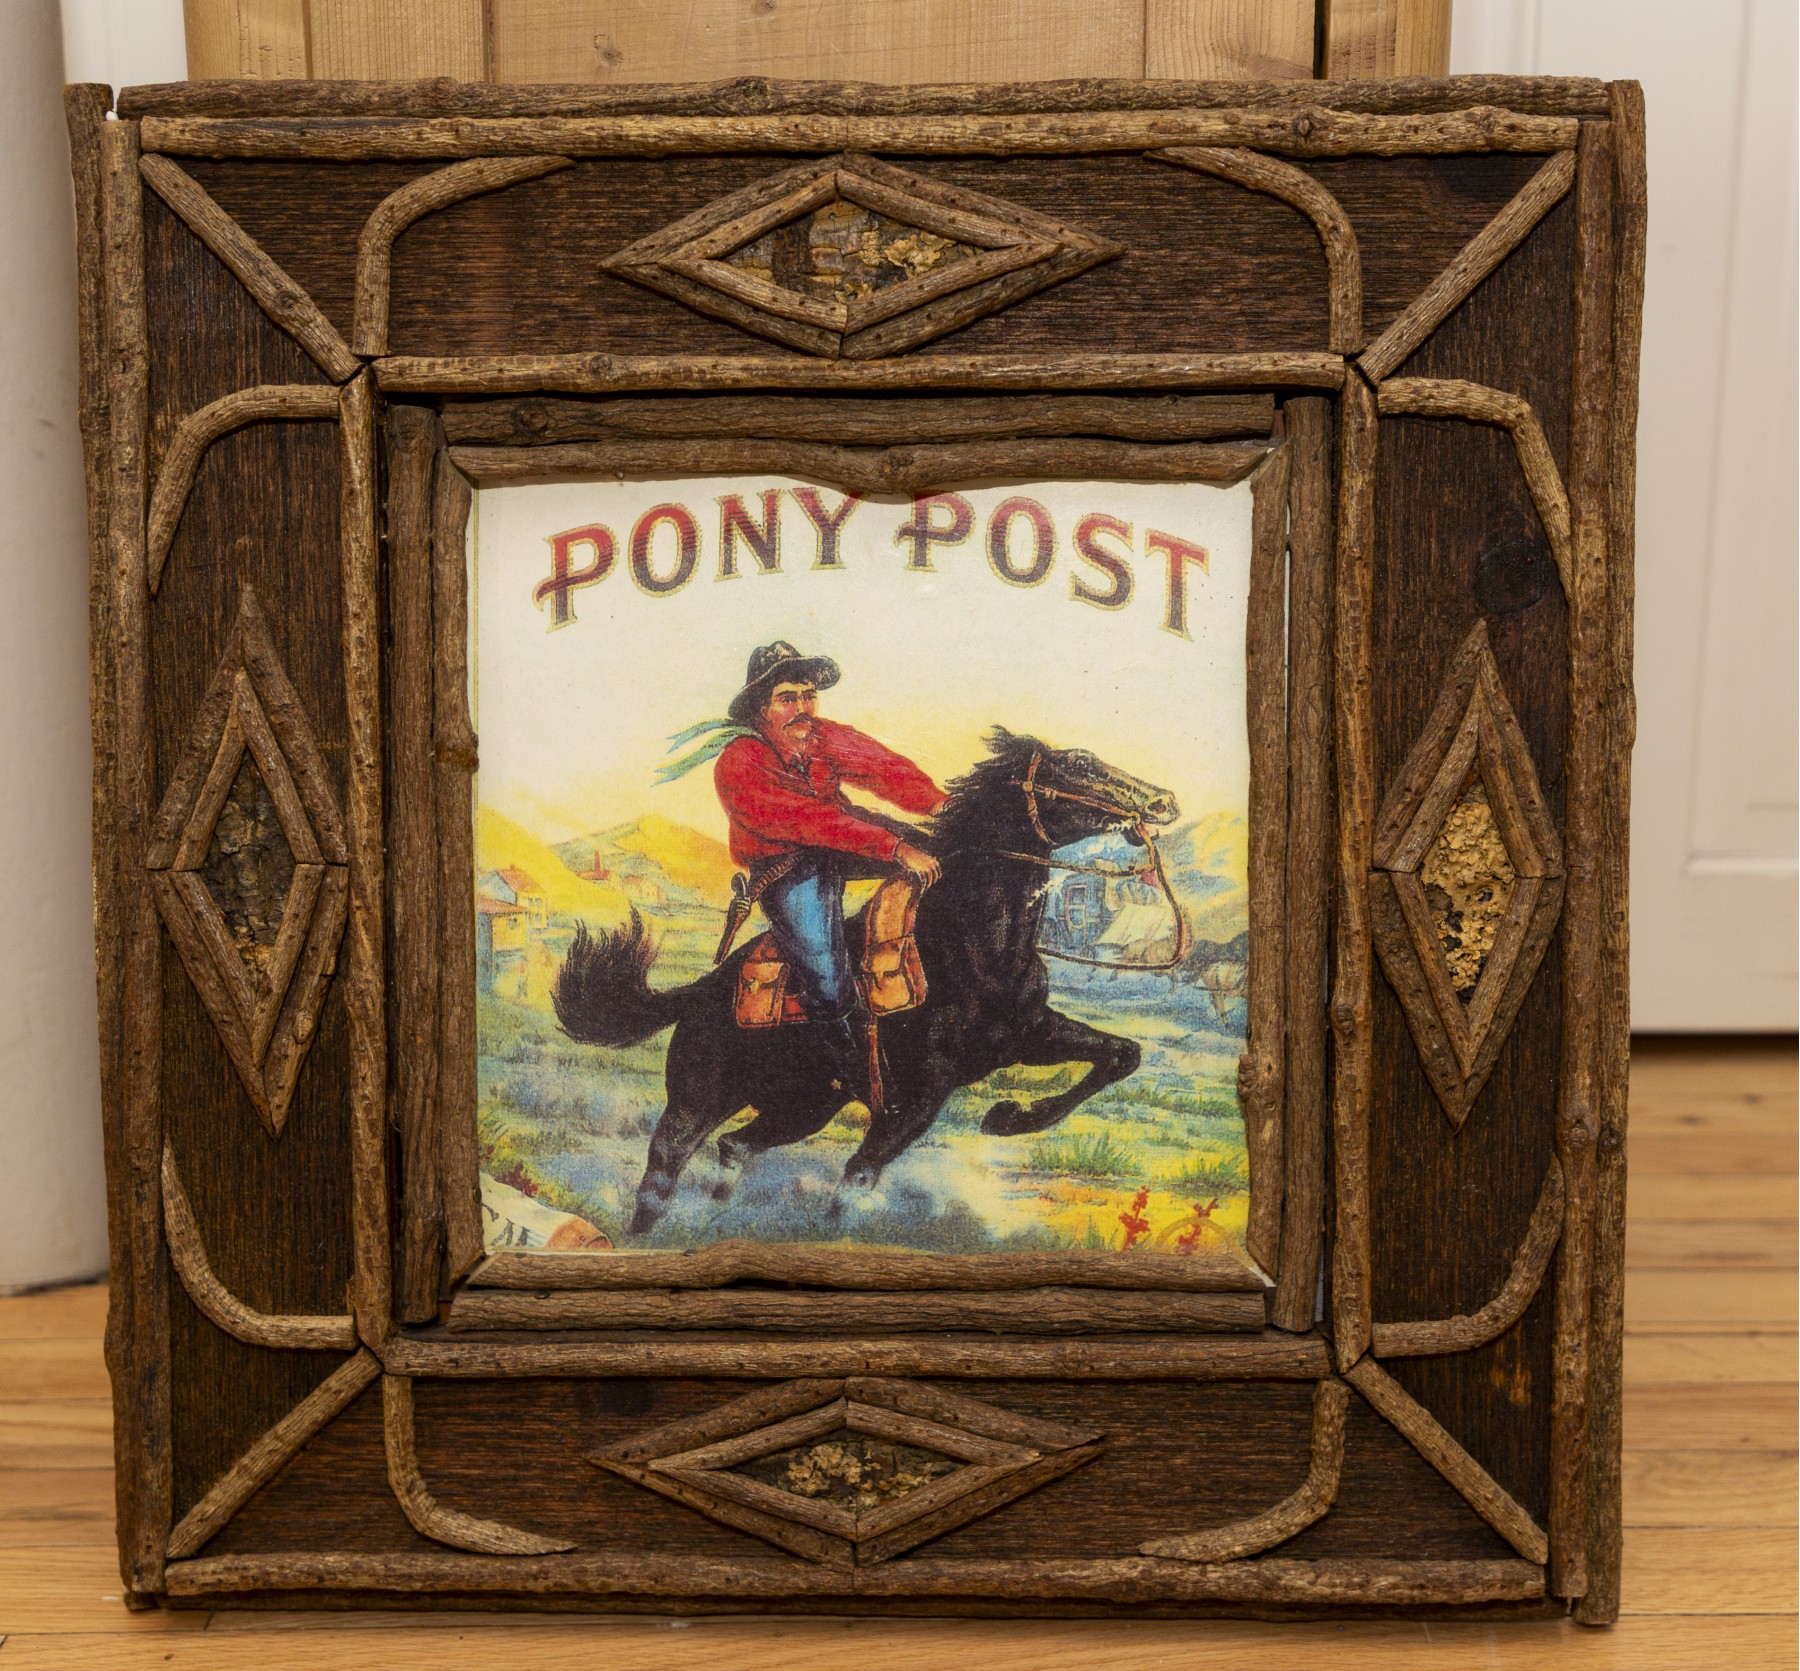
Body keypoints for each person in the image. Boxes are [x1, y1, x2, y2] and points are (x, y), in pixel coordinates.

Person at [712, 642, 944, 1097]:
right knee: (826, 976)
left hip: (841, 838)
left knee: (940, 855)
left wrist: (939, 805)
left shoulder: (820, 736)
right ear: (761, 708)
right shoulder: (740, 761)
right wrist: (894, 847)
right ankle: (850, 1072)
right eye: (788, 698)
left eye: (809, 695)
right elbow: (807, 821)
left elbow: (883, 769)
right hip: (788, 866)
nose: (803, 707)